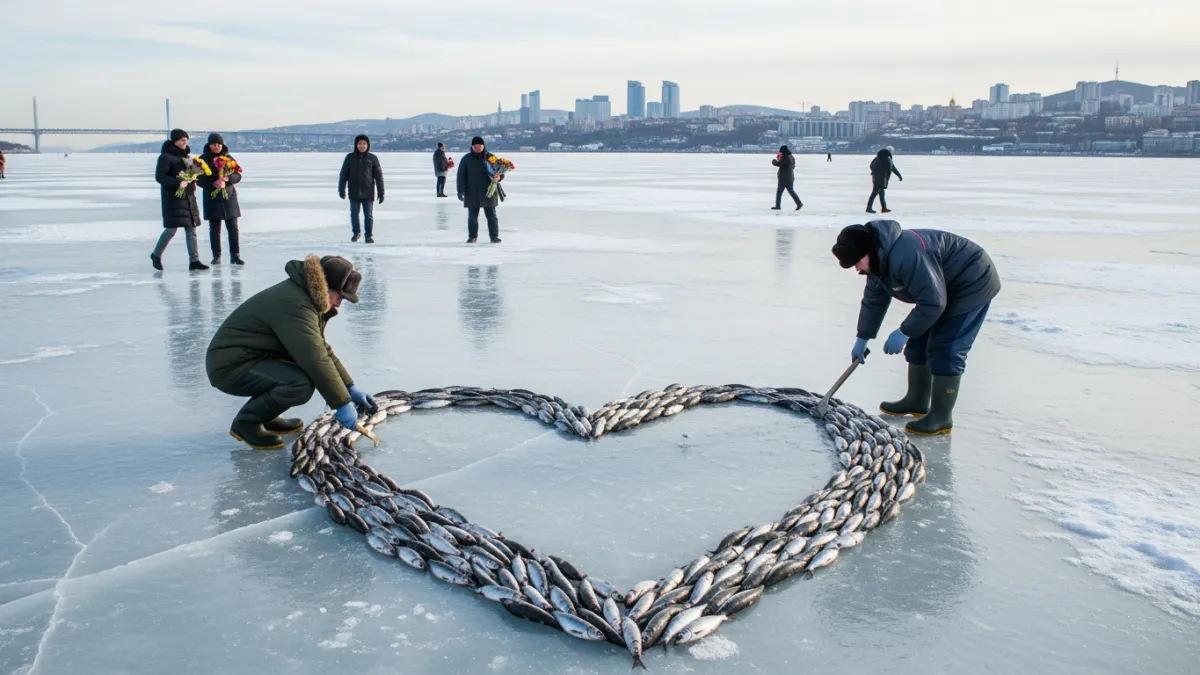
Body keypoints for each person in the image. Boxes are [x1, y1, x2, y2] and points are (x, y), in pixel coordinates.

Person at [831, 220, 1000, 436]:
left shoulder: (907, 256)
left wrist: (903, 331)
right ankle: (917, 400)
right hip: (942, 287)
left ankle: (941, 416)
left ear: (867, 252)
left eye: (857, 262)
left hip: (972, 281)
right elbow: (874, 300)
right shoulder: (878, 259)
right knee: (918, 340)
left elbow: (933, 303)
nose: (857, 269)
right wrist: (863, 337)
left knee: (946, 347)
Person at [205, 254, 377, 449]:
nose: (338, 304)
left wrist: (349, 387)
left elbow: (320, 347)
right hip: (231, 366)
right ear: (327, 287)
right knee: (299, 384)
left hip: (251, 357)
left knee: (299, 376)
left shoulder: (305, 295)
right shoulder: (297, 305)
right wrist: (341, 402)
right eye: (340, 297)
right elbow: (314, 357)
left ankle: (265, 415)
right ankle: (247, 423)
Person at [151, 129, 208, 271]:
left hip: (188, 197)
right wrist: (178, 183)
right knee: (171, 229)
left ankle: (194, 261)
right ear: (174, 141)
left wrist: (193, 178)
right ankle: (156, 254)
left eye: (186, 140)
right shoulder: (165, 157)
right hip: (173, 198)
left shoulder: (187, 157)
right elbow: (160, 177)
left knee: (191, 229)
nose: (185, 142)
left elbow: (191, 175)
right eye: (182, 140)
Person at [197, 133, 243, 265]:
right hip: (212, 197)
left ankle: (235, 255)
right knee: (215, 228)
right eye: (213, 144)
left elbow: (238, 175)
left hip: (229, 197)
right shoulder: (203, 159)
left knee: (233, 227)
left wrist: (227, 179)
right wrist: (213, 183)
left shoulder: (228, 158)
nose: (216, 146)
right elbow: (198, 179)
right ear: (209, 145)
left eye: (218, 144)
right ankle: (216, 256)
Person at [456, 136, 503, 244]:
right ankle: (472, 237)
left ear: (483, 146)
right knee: (472, 217)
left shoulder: (491, 158)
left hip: (489, 192)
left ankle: (494, 237)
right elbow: (461, 175)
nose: (477, 148)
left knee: (491, 216)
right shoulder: (466, 159)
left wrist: (499, 177)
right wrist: (460, 190)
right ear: (472, 146)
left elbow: (500, 173)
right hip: (471, 192)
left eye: (479, 146)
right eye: (475, 146)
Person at [338, 134, 384, 243]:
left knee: (368, 216)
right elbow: (343, 174)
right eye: (360, 144)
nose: (362, 146)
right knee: (354, 214)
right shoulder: (350, 157)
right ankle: (356, 233)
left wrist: (381, 193)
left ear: (368, 145)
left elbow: (379, 177)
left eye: (364, 144)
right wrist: (341, 189)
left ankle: (368, 235)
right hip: (354, 192)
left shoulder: (373, 158)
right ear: (356, 145)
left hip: (368, 192)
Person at [867, 147, 902, 214]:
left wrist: (875, 172)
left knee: (881, 192)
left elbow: (871, 166)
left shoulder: (877, 158)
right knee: (875, 192)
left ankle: (883, 208)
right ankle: (869, 208)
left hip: (875, 176)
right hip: (882, 177)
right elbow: (892, 168)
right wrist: (899, 176)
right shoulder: (887, 158)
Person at [770, 145, 803, 211]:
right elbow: (793, 166)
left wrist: (774, 161)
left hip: (783, 178)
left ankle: (778, 206)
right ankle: (799, 203)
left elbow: (779, 164)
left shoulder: (785, 157)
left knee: (779, 193)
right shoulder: (791, 156)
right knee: (791, 191)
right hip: (790, 177)